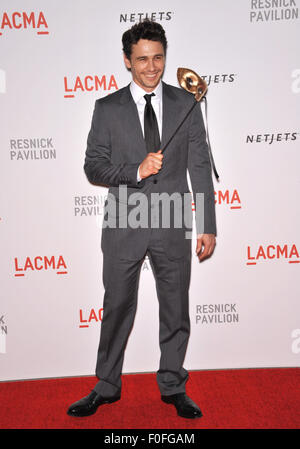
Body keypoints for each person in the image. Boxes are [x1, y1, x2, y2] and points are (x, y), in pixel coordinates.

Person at [67, 19, 216, 420]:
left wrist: (208, 224)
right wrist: (135, 169)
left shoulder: (187, 104)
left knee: (175, 308)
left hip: (171, 219)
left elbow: (200, 167)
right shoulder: (107, 108)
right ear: (127, 61)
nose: (152, 68)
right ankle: (106, 385)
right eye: (143, 60)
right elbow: (93, 167)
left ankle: (173, 384)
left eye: (159, 58)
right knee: (116, 306)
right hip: (123, 218)